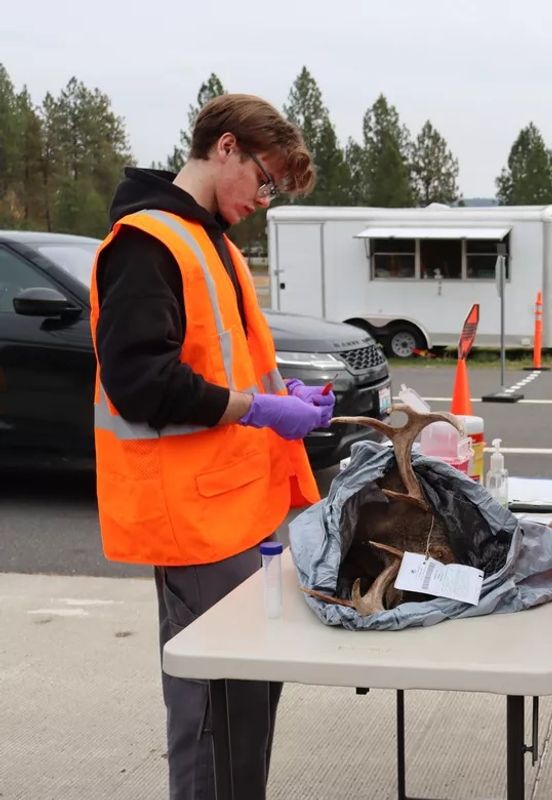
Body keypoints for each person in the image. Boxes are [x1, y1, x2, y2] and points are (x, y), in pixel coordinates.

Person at [89, 93, 334, 800]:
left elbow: (222, 357)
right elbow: (142, 383)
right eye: (264, 179)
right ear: (224, 147)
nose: (264, 198)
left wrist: (282, 391)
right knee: (211, 715)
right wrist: (261, 408)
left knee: (246, 705)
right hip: (195, 524)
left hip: (240, 512)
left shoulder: (211, 240)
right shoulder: (147, 243)